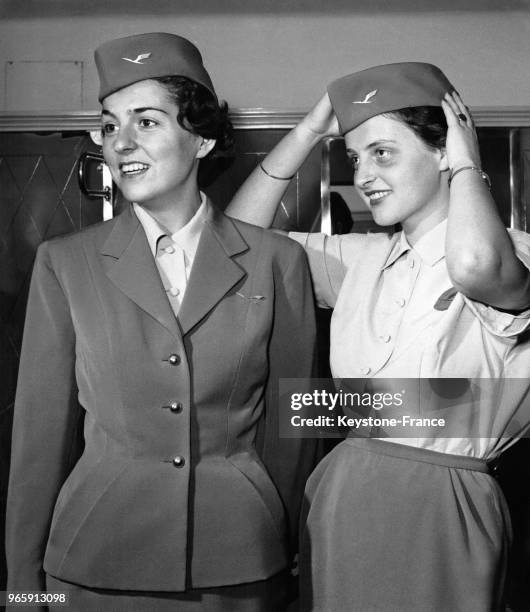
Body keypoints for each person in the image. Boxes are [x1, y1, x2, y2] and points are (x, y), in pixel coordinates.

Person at [6, 33, 318, 611]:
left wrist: (286, 534)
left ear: (200, 138)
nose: (120, 143)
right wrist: (22, 588)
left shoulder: (278, 263)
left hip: (241, 560)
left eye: (145, 122)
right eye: (109, 125)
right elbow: (38, 439)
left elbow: (291, 420)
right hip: (95, 560)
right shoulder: (65, 263)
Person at [226, 62, 530, 611]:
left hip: (444, 499)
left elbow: (476, 264)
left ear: (444, 151)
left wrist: (468, 165)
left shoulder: (515, 252)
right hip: (344, 485)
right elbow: (238, 244)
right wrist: (306, 134)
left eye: (382, 153)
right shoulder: (361, 259)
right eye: (354, 157)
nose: (363, 174)